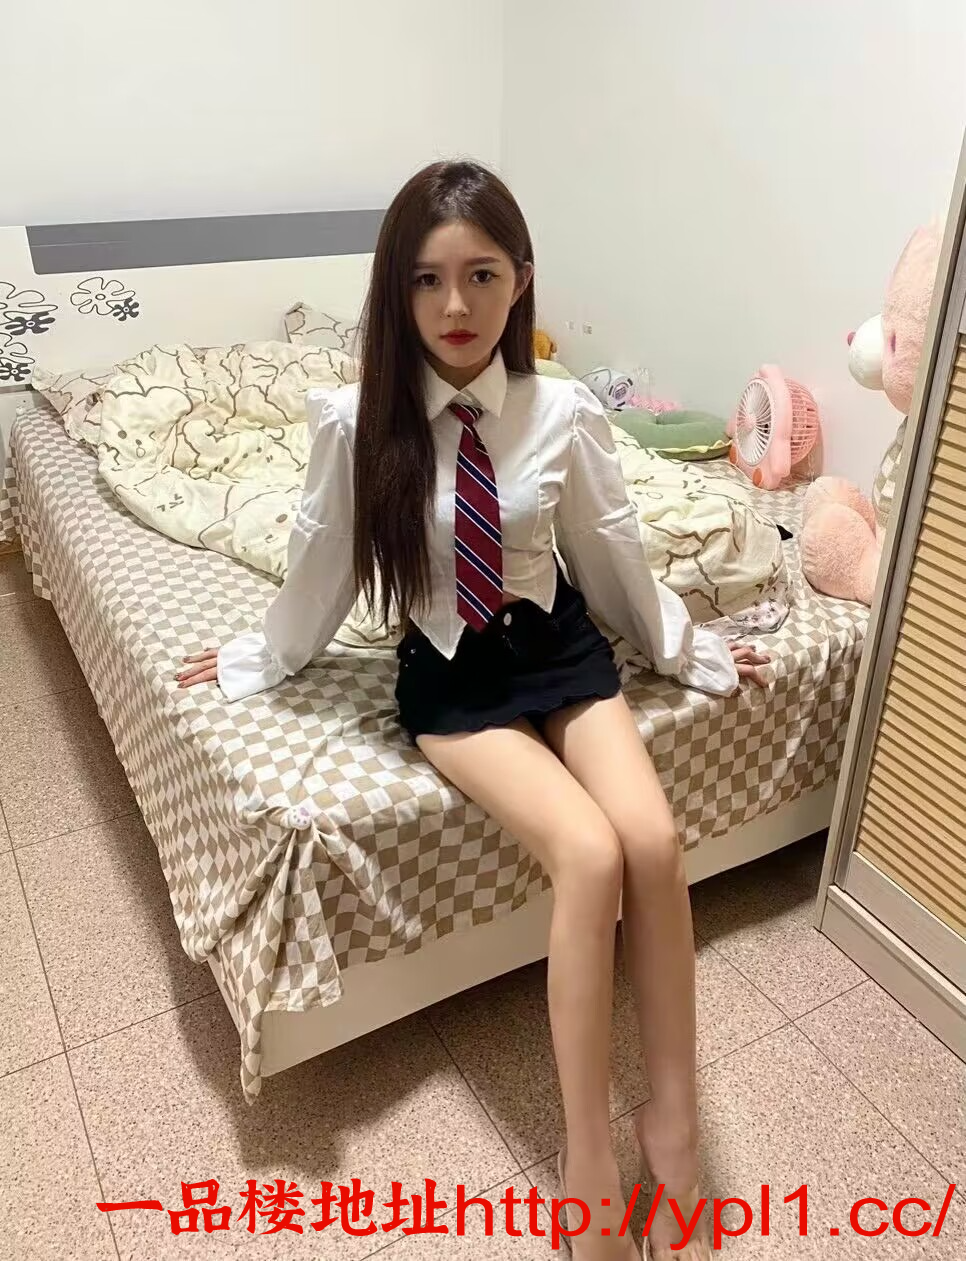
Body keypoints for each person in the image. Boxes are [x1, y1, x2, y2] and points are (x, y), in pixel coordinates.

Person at [178, 160, 768, 1260]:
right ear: (396, 292)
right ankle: (587, 1165)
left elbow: (611, 554)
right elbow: (323, 562)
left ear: (520, 279)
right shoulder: (357, 421)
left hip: (560, 651)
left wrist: (687, 649)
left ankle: (675, 1123)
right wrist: (261, 656)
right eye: (426, 279)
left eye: (481, 275)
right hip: (453, 679)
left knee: (653, 841)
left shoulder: (564, 412)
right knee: (588, 852)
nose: (455, 305)